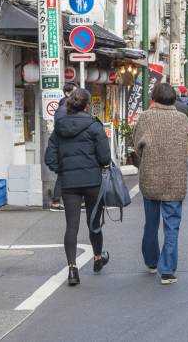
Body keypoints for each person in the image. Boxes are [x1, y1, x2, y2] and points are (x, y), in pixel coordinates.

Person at [45, 88, 111, 286]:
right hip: (92, 181)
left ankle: (72, 269)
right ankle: (98, 258)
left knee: (71, 226)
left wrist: (62, 169)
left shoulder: (59, 128)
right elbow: (105, 157)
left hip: (69, 183)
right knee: (94, 223)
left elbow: (49, 157)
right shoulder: (94, 126)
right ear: (87, 105)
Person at [133, 83, 188, 285]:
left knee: (151, 222)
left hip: (151, 176)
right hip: (175, 178)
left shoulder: (146, 117)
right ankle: (167, 270)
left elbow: (137, 146)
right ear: (174, 99)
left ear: (154, 98)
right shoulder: (182, 118)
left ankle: (151, 261)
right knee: (172, 226)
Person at [51, 82, 78, 210]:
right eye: (74, 92)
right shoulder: (64, 108)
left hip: (67, 146)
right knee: (64, 173)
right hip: (66, 146)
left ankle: (57, 200)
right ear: (67, 93)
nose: (76, 95)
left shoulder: (66, 106)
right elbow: (64, 128)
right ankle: (56, 201)